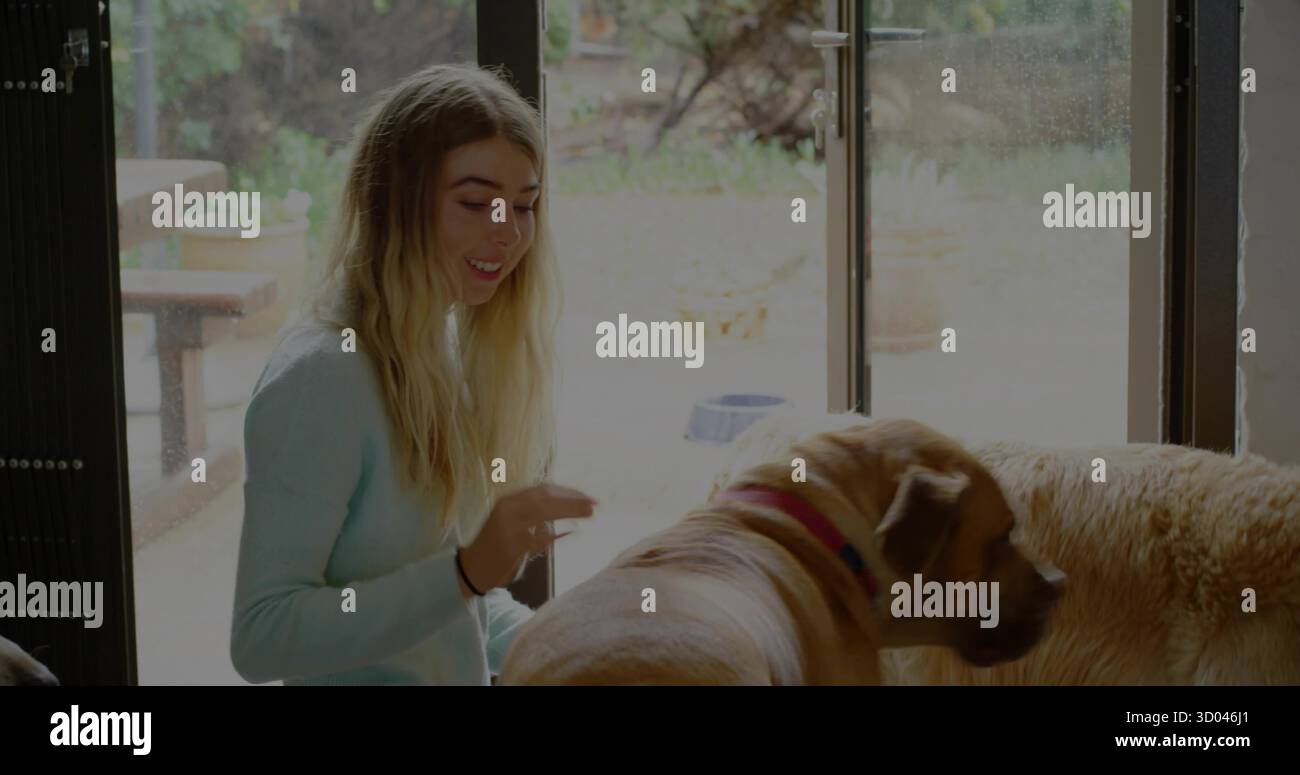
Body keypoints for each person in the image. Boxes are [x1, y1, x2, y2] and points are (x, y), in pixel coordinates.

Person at [229, 63, 595, 686]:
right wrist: (464, 574)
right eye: (476, 203)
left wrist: (580, 646)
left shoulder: (438, 346)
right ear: (394, 204)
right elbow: (263, 637)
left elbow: (458, 616)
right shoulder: (323, 378)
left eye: (524, 206)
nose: (506, 233)